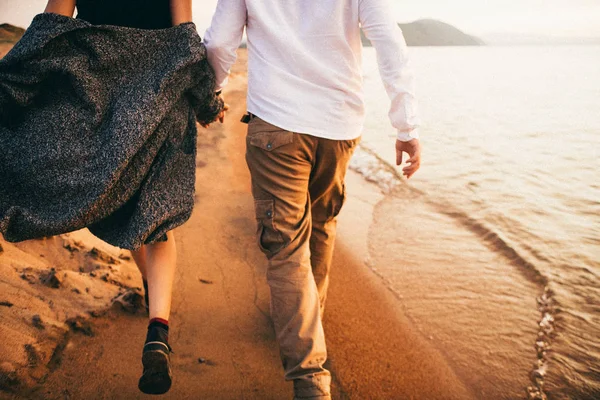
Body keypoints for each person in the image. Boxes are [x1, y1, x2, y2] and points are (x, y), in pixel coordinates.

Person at [1, 0, 224, 394]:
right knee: (155, 222)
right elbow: (186, 42)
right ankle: (158, 329)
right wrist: (208, 101)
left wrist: (13, 80)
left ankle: (153, 299)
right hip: (159, 102)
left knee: (129, 214)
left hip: (99, 106)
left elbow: (49, 28)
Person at [204, 0, 421, 398]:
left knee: (286, 247)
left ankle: (310, 381)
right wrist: (405, 124)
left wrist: (210, 93)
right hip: (339, 124)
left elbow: (219, 42)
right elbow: (389, 39)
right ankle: (307, 316)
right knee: (321, 223)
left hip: (277, 124)